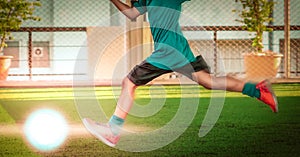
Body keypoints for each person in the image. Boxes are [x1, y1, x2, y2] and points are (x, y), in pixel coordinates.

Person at [83, 0, 278, 147]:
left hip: (167, 51)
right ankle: (258, 90)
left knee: (129, 82)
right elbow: (132, 13)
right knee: (208, 82)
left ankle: (112, 130)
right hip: (180, 49)